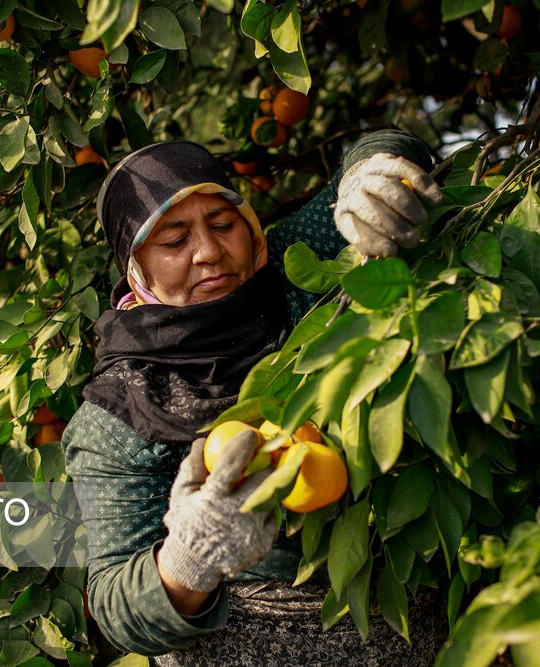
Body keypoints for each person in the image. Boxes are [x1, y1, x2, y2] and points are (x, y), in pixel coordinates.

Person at [61, 130, 448, 665]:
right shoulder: (119, 413)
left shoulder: (293, 270)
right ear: (136, 267)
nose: (209, 252)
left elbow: (391, 147)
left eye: (224, 225)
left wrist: (369, 174)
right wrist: (191, 559)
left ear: (249, 227)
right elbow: (115, 609)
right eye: (174, 241)